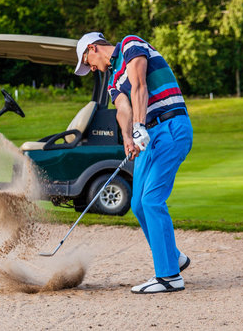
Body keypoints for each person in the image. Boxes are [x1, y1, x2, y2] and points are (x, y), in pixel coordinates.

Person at [74, 31, 193, 294]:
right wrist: (128, 137)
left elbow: (140, 85)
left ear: (93, 48)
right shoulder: (112, 80)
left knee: (152, 200)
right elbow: (123, 108)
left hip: (170, 126)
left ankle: (169, 277)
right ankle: (173, 257)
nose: (90, 68)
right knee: (138, 203)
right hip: (147, 136)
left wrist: (139, 127)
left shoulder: (130, 44)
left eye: (87, 61)